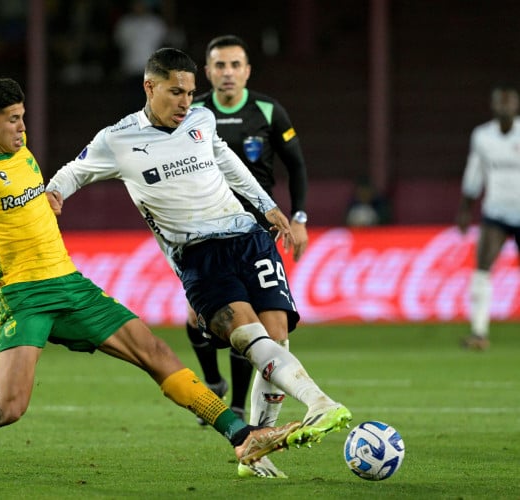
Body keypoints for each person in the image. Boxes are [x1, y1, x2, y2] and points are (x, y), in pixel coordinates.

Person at [0, 77, 301, 474]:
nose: (21, 127)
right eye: (12, 120)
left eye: (23, 118)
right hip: (23, 295)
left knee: (155, 351)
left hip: (71, 284)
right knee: (7, 408)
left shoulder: (20, 151)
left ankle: (242, 436)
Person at [46, 48, 352, 479]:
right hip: (198, 254)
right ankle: (320, 402)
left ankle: (259, 445)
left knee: (276, 337)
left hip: (248, 238)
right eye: (176, 92)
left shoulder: (201, 121)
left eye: (190, 92)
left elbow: (226, 160)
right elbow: (74, 171)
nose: (187, 102)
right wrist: (53, 192)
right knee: (248, 336)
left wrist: (266, 206)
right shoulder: (116, 139)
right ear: (149, 87)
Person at [186, 34, 311, 479]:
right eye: (219, 65)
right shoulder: (193, 112)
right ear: (208, 70)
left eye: (235, 64)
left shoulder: (268, 111)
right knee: (194, 318)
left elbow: (295, 164)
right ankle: (215, 383)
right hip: (203, 228)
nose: (227, 72)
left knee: (262, 328)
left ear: (247, 70)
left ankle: (242, 409)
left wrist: (297, 217)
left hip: (257, 229)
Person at [456, 83, 520, 351]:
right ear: (494, 106)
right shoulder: (482, 136)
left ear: (516, 106)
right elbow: (475, 171)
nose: (505, 107)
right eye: (500, 102)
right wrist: (465, 208)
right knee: (482, 269)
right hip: (495, 212)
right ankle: (479, 333)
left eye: (509, 102)